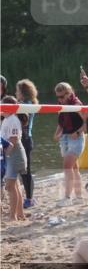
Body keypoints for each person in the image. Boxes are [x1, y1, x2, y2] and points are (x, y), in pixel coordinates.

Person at [53, 82, 86, 205]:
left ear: (69, 93)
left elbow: (87, 122)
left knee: (67, 166)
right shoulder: (61, 105)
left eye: (62, 97)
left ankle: (67, 197)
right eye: (58, 97)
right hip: (64, 137)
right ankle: (79, 196)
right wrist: (57, 133)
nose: (60, 99)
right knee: (74, 168)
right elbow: (61, 123)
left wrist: (77, 133)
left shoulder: (76, 104)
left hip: (76, 138)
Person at [1, 96, 27, 221]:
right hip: (11, 153)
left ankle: (13, 216)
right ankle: (20, 214)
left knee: (10, 186)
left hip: (14, 154)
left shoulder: (12, 120)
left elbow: (13, 139)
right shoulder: (7, 119)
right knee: (15, 184)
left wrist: (5, 155)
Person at [14, 79, 38, 208]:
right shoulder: (27, 103)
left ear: (22, 92)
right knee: (24, 170)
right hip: (25, 139)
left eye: (17, 90)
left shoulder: (26, 104)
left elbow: (24, 121)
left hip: (25, 139)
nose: (16, 92)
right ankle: (29, 197)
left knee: (26, 171)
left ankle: (29, 198)